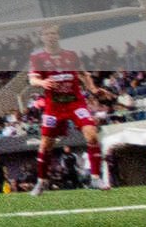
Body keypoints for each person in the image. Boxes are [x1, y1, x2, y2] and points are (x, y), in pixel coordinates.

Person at [28, 24, 108, 195]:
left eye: (54, 33)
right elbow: (33, 80)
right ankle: (41, 181)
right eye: (47, 33)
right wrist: (42, 82)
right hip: (54, 106)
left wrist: (93, 89)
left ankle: (95, 177)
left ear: (58, 35)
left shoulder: (70, 55)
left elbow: (83, 74)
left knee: (92, 134)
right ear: (42, 37)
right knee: (45, 144)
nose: (51, 36)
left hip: (75, 102)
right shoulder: (38, 58)